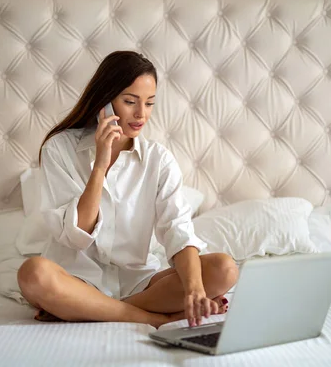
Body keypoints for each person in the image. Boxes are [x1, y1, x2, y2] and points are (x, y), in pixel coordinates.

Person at [16, 50, 238, 328]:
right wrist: (100, 165)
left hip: (141, 285)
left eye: (149, 103)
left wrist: (194, 290)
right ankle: (154, 318)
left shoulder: (158, 159)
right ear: (105, 102)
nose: (141, 114)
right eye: (130, 101)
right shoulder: (59, 148)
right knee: (33, 273)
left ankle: (86, 309)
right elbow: (76, 235)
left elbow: (178, 229)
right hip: (74, 279)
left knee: (224, 269)